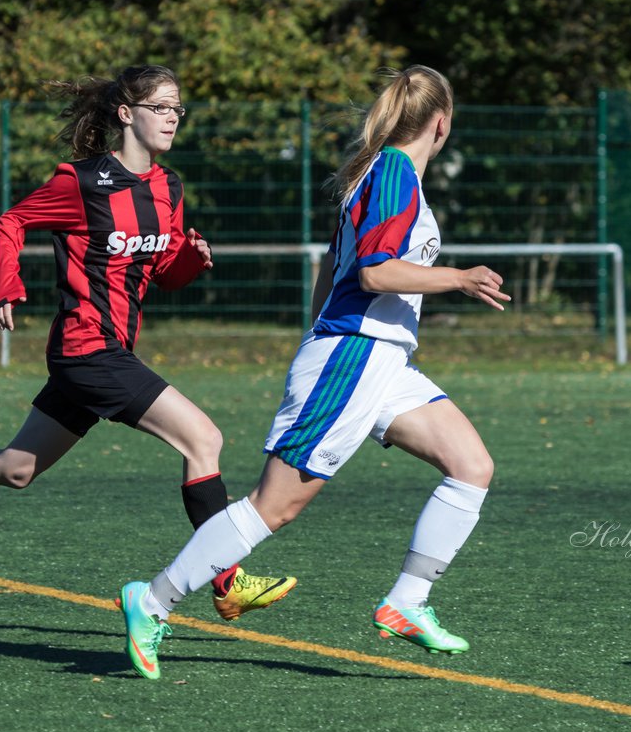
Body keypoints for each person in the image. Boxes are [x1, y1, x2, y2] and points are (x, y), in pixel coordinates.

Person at [0, 64, 295, 622]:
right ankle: (227, 581)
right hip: (86, 348)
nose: (172, 119)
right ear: (126, 114)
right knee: (203, 440)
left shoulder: (169, 187)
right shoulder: (82, 181)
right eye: (160, 107)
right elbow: (11, 222)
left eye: (177, 109)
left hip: (109, 355)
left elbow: (162, 272)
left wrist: (189, 260)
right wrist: (6, 286)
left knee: (15, 469)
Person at [118, 65, 510, 679]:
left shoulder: (383, 173)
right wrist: (457, 278)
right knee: (272, 508)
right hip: (354, 358)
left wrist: (324, 328)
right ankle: (153, 600)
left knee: (472, 466)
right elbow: (374, 273)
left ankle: (406, 604)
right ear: (443, 121)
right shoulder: (393, 175)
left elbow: (333, 269)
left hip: (378, 358)